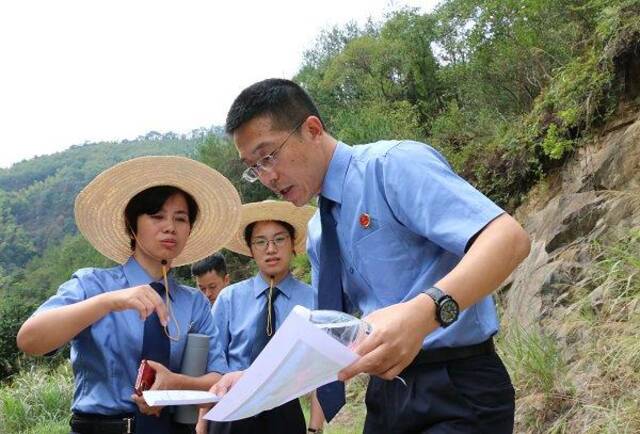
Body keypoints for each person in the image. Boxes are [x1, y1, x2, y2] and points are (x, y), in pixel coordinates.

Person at [217, 78, 532, 433]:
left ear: (312, 129)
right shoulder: (320, 232)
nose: (268, 177)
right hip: (386, 395)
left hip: (456, 383)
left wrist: (422, 315)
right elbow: (329, 335)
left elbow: (508, 238)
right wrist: (256, 380)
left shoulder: (392, 166)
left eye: (269, 155)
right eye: (254, 167)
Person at [16, 156, 241, 434]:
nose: (170, 226)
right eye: (157, 216)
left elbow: (217, 378)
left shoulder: (193, 302)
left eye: (180, 218)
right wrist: (110, 301)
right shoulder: (93, 285)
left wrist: (175, 382)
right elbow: (30, 340)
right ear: (131, 224)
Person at [197, 200, 325, 434]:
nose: (270, 249)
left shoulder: (313, 301)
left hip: (285, 410)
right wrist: (202, 421)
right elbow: (213, 364)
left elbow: (321, 371)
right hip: (230, 409)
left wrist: (315, 428)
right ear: (250, 249)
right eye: (260, 241)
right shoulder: (229, 298)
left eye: (279, 239)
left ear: (293, 243)